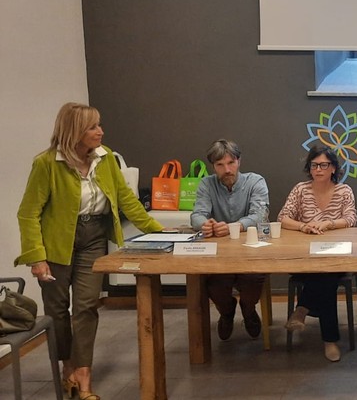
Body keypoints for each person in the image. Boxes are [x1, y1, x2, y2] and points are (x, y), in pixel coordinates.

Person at [15, 102, 165, 400]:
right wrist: (36, 257)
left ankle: (84, 378)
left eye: (99, 125)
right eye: (93, 127)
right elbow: (28, 213)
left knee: (86, 306)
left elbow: (126, 199)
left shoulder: (105, 157)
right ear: (74, 131)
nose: (100, 131)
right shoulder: (47, 163)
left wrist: (158, 230)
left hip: (93, 238)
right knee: (57, 310)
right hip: (55, 244)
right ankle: (67, 366)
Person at [278, 145, 357, 362]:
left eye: (323, 165)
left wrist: (328, 224)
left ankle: (302, 309)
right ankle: (329, 341)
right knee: (324, 279)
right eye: (314, 165)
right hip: (305, 257)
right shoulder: (301, 189)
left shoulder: (344, 191)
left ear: (333, 168)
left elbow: (351, 219)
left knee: (326, 273)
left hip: (336, 256)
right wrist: (303, 226)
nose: (318, 170)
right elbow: (283, 217)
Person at [191, 139, 270, 342]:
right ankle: (227, 312)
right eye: (220, 164)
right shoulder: (206, 184)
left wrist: (234, 226)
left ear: (239, 161)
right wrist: (204, 224)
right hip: (220, 253)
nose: (227, 170)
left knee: (254, 279)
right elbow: (197, 215)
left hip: (251, 250)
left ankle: (248, 310)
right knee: (214, 283)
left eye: (231, 163)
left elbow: (260, 216)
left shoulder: (255, 181)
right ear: (213, 166)